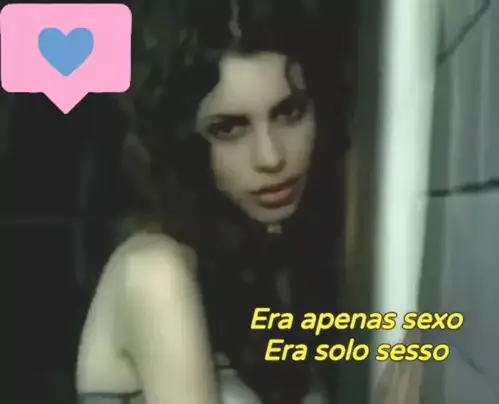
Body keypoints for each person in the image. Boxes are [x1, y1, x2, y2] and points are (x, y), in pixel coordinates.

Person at [75, 0, 350, 402]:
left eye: (289, 113)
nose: (271, 157)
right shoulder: (156, 273)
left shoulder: (263, 263)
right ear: (183, 145)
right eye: (228, 129)